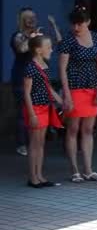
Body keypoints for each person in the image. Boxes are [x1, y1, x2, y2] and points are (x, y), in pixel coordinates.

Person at [59, 0, 97, 182]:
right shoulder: (68, 40)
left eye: (80, 23)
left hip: (92, 87)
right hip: (75, 87)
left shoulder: (96, 38)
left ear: (88, 22)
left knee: (88, 129)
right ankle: (74, 170)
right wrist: (67, 94)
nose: (76, 27)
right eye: (74, 23)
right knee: (73, 128)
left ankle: (88, 169)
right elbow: (62, 69)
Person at [11, 8, 61, 157]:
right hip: (22, 78)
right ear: (22, 20)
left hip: (39, 77)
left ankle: (37, 143)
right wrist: (32, 36)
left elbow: (58, 42)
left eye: (33, 17)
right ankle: (22, 144)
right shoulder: (18, 36)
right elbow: (21, 48)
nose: (31, 20)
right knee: (23, 111)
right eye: (27, 18)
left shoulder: (38, 35)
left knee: (40, 110)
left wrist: (53, 25)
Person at [23, 35, 63, 188]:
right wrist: (32, 114)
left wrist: (60, 100)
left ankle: (40, 175)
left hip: (45, 107)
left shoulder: (43, 65)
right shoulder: (31, 67)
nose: (51, 50)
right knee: (34, 144)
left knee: (41, 144)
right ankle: (32, 177)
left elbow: (48, 87)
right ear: (38, 50)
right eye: (48, 47)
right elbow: (26, 93)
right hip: (35, 109)